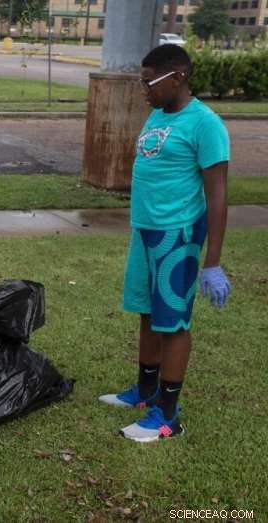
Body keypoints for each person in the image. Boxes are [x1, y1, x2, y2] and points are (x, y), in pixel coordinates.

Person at [99, 44, 232, 442]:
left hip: (178, 235)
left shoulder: (205, 124)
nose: (144, 90)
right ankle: (145, 390)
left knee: (172, 323)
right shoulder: (158, 114)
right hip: (145, 230)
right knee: (147, 312)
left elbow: (218, 195)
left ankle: (168, 416)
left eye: (148, 82)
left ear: (177, 77)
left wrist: (212, 262)